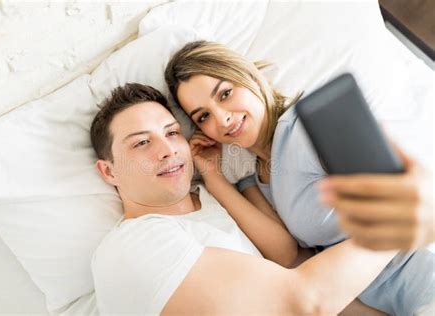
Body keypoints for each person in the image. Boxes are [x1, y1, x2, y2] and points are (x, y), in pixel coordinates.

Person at [165, 40, 434, 315]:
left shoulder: (306, 130)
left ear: (249, 78)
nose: (222, 119)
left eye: (225, 94)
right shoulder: (258, 177)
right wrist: (214, 177)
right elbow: (284, 254)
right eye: (203, 116)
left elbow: (405, 203)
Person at [89, 83, 396, 315]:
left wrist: (214, 175)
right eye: (142, 142)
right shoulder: (133, 246)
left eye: (171, 133)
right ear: (109, 171)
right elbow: (302, 301)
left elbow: (288, 256)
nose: (168, 149)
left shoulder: (209, 199)